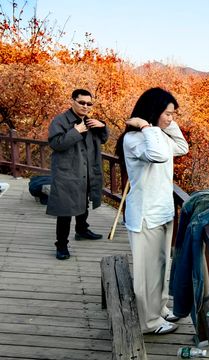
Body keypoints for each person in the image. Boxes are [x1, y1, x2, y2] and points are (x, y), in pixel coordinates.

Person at [115, 87, 189, 335]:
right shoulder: (135, 139)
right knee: (147, 273)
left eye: (173, 114)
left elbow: (182, 147)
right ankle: (149, 322)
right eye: (167, 113)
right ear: (153, 112)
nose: (171, 118)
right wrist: (147, 128)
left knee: (161, 267)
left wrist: (162, 126)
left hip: (164, 211)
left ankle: (160, 307)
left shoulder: (160, 136)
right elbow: (157, 155)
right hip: (146, 214)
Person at [47, 89, 108, 261]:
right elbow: (56, 144)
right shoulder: (60, 121)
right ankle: (61, 245)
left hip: (87, 170)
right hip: (68, 172)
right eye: (82, 102)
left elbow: (103, 139)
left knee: (84, 201)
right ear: (73, 101)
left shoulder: (90, 122)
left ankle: (82, 230)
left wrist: (103, 126)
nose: (85, 106)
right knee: (65, 210)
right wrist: (76, 131)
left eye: (89, 104)